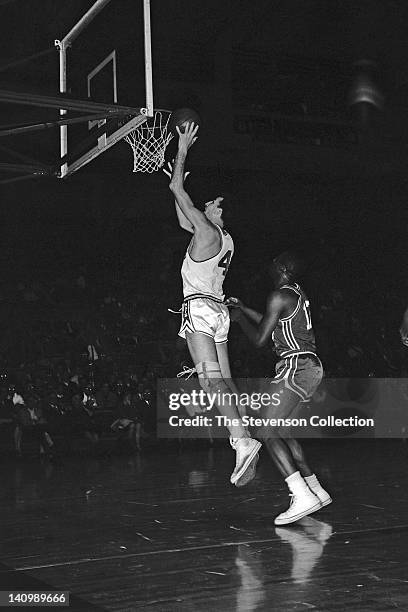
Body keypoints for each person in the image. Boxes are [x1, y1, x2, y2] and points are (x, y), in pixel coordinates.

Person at [166, 122, 261, 485]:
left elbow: (176, 190)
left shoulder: (206, 229)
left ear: (215, 212)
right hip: (219, 312)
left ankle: (241, 441)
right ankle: (242, 432)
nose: (209, 203)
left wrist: (182, 150)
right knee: (227, 381)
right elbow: (181, 213)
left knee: (210, 384)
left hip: (201, 311)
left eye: (213, 203)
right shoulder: (224, 239)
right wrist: (181, 192)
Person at [227, 250, 332, 524]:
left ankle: (301, 495)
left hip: (296, 366)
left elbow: (261, 338)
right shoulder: (294, 293)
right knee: (283, 430)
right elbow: (272, 320)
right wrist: (244, 309)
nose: (269, 265)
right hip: (310, 366)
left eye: (274, 263)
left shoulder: (279, 295)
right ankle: (316, 490)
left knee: (265, 429)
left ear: (283, 268)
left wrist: (238, 320)